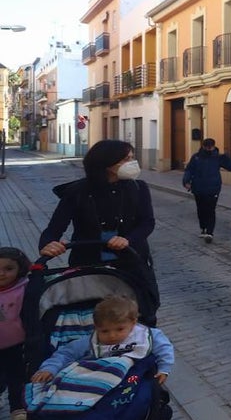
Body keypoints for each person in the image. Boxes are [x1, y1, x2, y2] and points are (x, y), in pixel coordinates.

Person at [38, 139, 160, 326]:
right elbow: (54, 228)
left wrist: (128, 240)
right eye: (126, 159)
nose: (132, 163)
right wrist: (48, 245)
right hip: (89, 265)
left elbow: (147, 222)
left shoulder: (138, 188)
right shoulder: (77, 191)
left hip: (131, 262)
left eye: (132, 158)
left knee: (142, 314)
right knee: (93, 318)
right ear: (107, 163)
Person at [30, 295, 174, 386]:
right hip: (99, 379)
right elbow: (65, 353)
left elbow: (164, 349)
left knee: (140, 382)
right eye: (104, 331)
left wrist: (164, 369)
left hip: (134, 378)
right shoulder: (91, 342)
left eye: (119, 329)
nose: (112, 336)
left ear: (133, 322)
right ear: (96, 327)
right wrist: (49, 368)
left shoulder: (147, 335)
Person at [182, 137, 231, 243]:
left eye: (210, 147)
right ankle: (203, 228)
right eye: (206, 147)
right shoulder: (196, 157)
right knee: (201, 209)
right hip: (198, 188)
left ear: (213, 146)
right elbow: (189, 170)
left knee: (211, 210)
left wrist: (226, 157)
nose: (208, 149)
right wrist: (186, 181)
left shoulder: (218, 157)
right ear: (203, 146)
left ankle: (209, 232)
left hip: (213, 189)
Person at [0, 247, 30, 420]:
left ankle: (17, 408)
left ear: (20, 269)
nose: (2, 274)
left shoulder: (24, 288)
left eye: (8, 269)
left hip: (16, 343)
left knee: (16, 375)